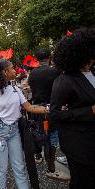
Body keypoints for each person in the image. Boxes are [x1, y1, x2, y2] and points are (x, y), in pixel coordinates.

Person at [0, 59, 48, 189]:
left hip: (14, 132)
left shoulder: (15, 88)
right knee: (2, 169)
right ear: (5, 72)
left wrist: (49, 109)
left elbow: (29, 107)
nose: (15, 70)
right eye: (12, 68)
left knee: (20, 166)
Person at [50, 28, 95, 189]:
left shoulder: (92, 73)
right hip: (80, 144)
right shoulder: (64, 81)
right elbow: (55, 114)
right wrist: (90, 111)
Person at [27, 48, 69, 180]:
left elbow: (31, 89)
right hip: (52, 108)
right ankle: (51, 169)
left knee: (38, 133)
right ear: (49, 58)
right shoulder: (55, 72)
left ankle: (38, 156)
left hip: (36, 108)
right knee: (52, 137)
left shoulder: (32, 73)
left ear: (37, 59)